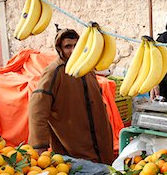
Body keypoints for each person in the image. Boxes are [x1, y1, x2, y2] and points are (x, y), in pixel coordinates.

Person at [28, 27, 114, 164]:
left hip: (100, 143)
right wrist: (39, 145)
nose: (73, 50)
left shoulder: (87, 68)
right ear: (59, 49)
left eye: (76, 45)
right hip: (73, 145)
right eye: (68, 46)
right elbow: (37, 109)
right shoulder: (53, 72)